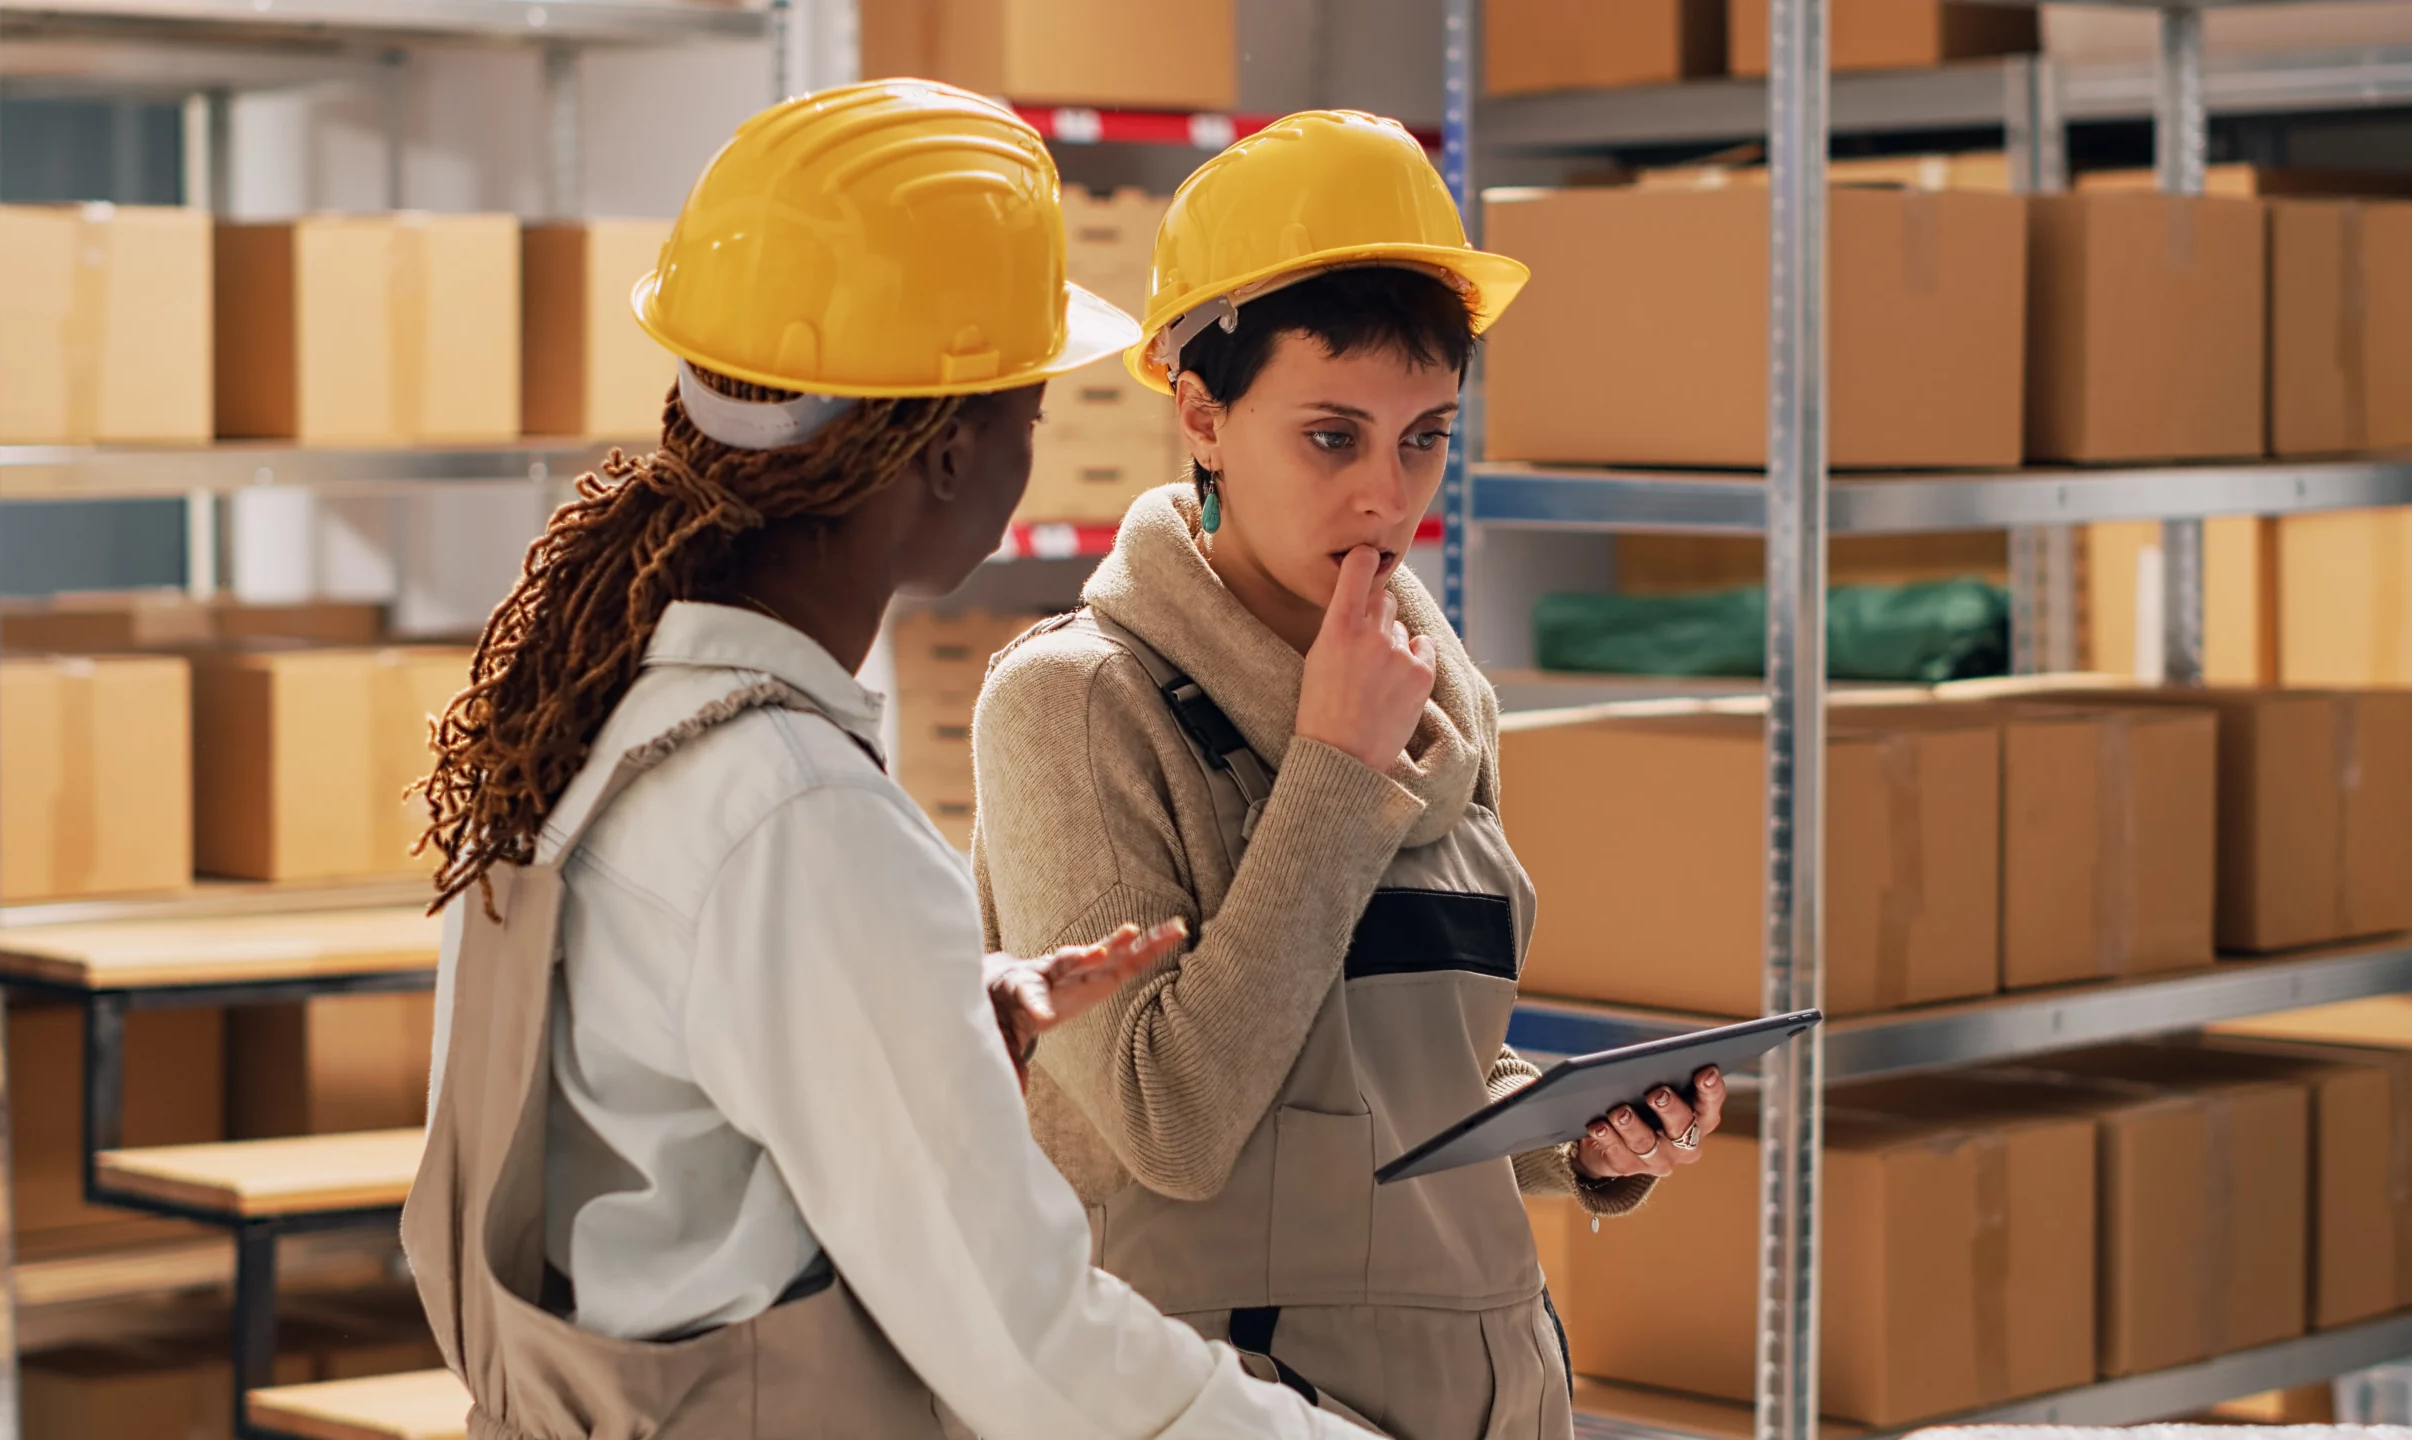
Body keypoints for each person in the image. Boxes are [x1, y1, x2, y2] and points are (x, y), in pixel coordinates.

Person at [402, 80, 1377, 1440]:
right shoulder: (795, 819)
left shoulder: (596, 724)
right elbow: (1032, 1353)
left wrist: (927, 1022)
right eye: (1027, 407)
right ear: (944, 453)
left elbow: (644, 1133)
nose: (1033, 449)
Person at [969, 110, 1728, 1440]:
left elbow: (1398, 1087)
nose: (1391, 496)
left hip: (1486, 1384)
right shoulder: (1076, 704)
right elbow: (1171, 1119)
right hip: (1216, 1402)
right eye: (1333, 437)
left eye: (1425, 437)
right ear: (1200, 415)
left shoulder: (1443, 692)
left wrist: (1579, 1138)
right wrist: (1332, 764)